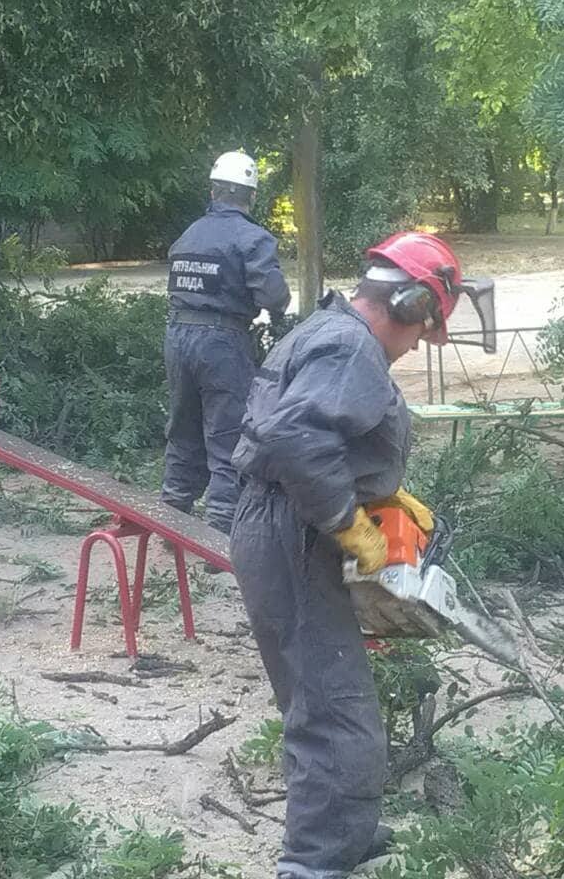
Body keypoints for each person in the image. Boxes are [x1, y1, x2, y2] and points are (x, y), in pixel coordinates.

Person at [230, 232, 495, 878]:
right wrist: (346, 518)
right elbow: (295, 436)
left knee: (332, 693)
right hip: (295, 528)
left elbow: (310, 432)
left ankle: (342, 835)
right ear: (406, 304)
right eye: (424, 328)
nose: (419, 345)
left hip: (286, 522)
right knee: (333, 707)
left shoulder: (330, 330)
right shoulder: (352, 348)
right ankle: (314, 863)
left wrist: (379, 492)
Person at [160, 150, 291, 533]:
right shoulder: (253, 238)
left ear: (214, 191)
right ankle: (218, 534)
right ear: (251, 196)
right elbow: (273, 297)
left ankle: (172, 520)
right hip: (222, 342)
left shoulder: (189, 234)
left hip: (177, 335)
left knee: (183, 429)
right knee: (226, 435)